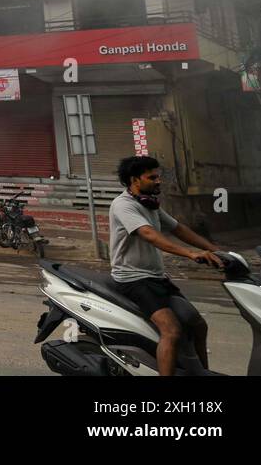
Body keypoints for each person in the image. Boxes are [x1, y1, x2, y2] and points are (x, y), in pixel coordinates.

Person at [110, 155, 224, 376]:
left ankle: (200, 373)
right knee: (171, 331)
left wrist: (214, 249)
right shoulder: (123, 205)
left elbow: (178, 229)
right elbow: (148, 234)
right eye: (152, 177)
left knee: (198, 325)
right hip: (133, 279)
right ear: (135, 179)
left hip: (156, 278)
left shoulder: (150, 204)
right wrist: (189, 253)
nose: (158, 181)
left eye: (158, 176)